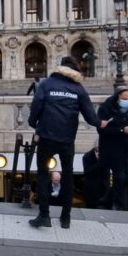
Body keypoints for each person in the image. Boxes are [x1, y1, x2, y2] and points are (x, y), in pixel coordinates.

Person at [28, 56, 99, 228]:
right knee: (68, 175)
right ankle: (66, 218)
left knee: (43, 174)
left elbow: (36, 106)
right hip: (67, 140)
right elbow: (91, 117)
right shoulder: (78, 89)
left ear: (59, 68)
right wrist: (102, 123)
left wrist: (33, 123)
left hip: (46, 137)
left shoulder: (46, 84)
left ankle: (44, 216)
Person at [97, 86, 128, 211]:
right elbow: (101, 129)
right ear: (117, 97)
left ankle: (107, 198)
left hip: (127, 148)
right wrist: (123, 130)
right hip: (111, 149)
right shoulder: (105, 108)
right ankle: (118, 205)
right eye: (124, 98)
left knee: (126, 177)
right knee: (119, 176)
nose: (127, 100)